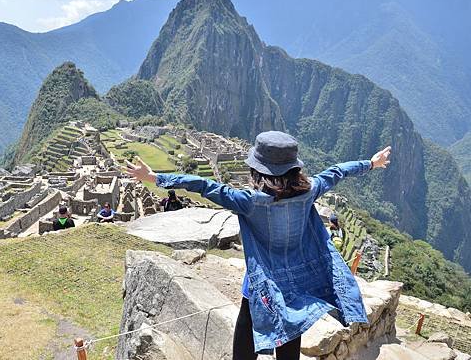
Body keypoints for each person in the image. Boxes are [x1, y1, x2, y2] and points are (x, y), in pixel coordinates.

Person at [126, 131, 391, 360]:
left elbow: (205, 186)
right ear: (294, 168)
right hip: (297, 282)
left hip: (260, 283)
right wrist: (371, 163)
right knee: (290, 335)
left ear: (258, 170)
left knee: (245, 338)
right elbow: (336, 171)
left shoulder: (249, 201)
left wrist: (155, 178)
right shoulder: (310, 190)